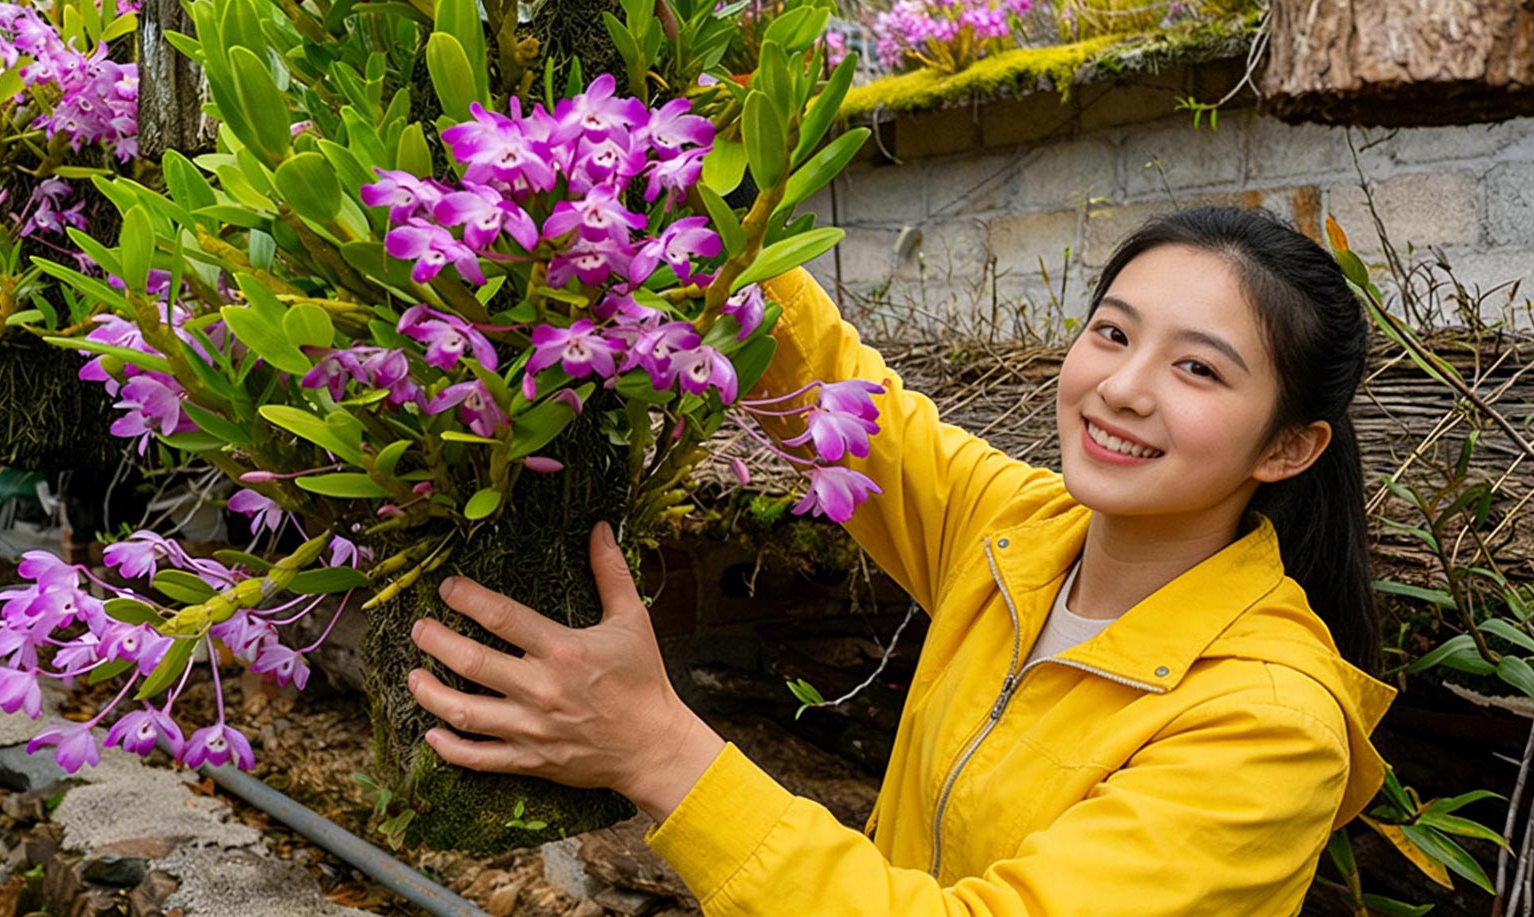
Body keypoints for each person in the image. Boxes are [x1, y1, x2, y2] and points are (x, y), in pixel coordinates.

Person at [406, 204, 1397, 915]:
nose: (1123, 387)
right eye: (1112, 332)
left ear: (1286, 446)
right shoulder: (1018, 533)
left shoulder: (1269, 725)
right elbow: (835, 391)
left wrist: (657, 750)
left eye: (1197, 368)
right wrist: (697, 187)